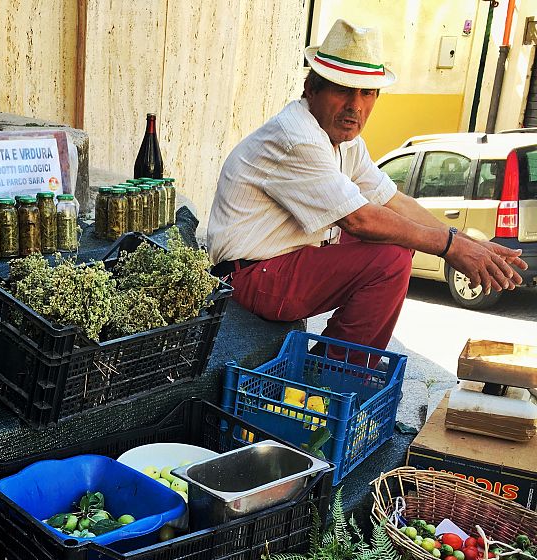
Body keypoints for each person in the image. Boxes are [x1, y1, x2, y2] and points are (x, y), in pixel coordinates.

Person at [207, 19, 526, 360]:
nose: (355, 105)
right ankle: (333, 374)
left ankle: (332, 363)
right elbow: (360, 220)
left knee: (400, 241)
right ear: (311, 89)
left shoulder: (345, 141)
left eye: (367, 92)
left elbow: (392, 201)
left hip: (282, 263)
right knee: (389, 260)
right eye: (342, 90)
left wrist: (465, 242)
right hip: (250, 278)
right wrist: (449, 248)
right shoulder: (297, 136)